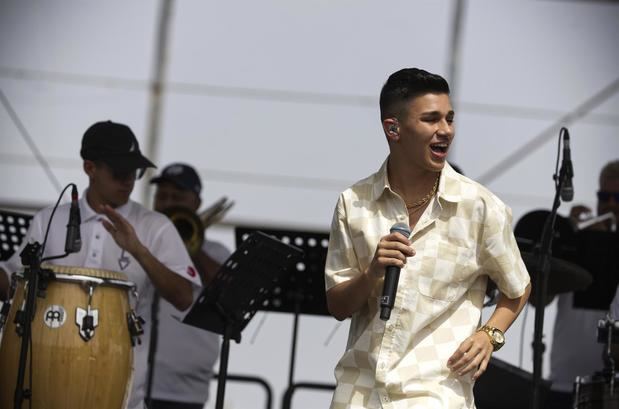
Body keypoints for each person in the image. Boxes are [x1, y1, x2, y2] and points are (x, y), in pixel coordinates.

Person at [324, 68, 531, 408]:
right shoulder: (354, 202)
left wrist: (490, 335)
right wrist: (372, 272)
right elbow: (338, 305)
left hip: (434, 394)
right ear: (394, 129)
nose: (445, 131)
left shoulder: (479, 207)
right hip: (357, 393)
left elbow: (518, 287)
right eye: (431, 119)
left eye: (449, 119)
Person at [0, 121, 201, 409]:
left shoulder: (155, 226)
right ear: (89, 168)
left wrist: (139, 251)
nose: (129, 181)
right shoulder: (48, 220)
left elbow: (184, 297)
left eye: (135, 173)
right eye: (120, 173)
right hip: (42, 384)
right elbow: (11, 284)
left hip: (123, 392)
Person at [147, 163, 231, 409]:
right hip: (138, 380)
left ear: (196, 203)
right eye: (162, 196)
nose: (168, 203)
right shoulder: (140, 245)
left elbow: (228, 295)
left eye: (178, 196)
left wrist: (189, 249)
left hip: (187, 393)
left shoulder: (215, 252)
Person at [547, 159, 619, 408]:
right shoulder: (577, 239)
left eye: (617, 198)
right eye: (604, 196)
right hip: (564, 382)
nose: (610, 204)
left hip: (611, 389)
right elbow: (539, 299)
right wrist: (567, 236)